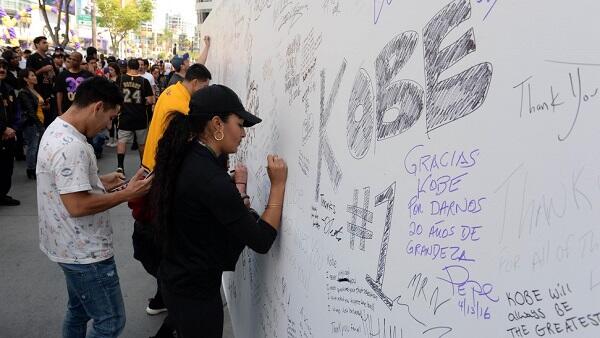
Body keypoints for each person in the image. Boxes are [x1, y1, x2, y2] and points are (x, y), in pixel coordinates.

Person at [149, 84, 287, 337]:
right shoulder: (211, 178)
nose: (243, 134)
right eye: (240, 123)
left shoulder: (188, 155)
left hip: (176, 279)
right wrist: (278, 185)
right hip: (195, 295)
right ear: (217, 124)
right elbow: (261, 240)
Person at [37, 76, 153, 337]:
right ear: (97, 107)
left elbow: (65, 186)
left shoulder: (58, 129)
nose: (108, 125)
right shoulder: (72, 147)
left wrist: (100, 182)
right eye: (111, 118)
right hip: (84, 253)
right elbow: (77, 205)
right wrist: (128, 194)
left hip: (67, 247)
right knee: (110, 321)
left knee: (78, 311)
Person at [116, 58, 154, 172]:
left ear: (127, 67)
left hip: (124, 115)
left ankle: (120, 166)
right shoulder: (144, 81)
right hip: (140, 116)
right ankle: (142, 167)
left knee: (121, 141)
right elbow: (150, 100)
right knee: (142, 144)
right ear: (138, 67)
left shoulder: (121, 79)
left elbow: (115, 96)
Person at [18, 68, 47, 180]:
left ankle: (36, 168)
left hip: (39, 121)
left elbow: (36, 106)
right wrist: (38, 124)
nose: (35, 77)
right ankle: (31, 169)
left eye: (34, 75)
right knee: (33, 147)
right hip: (32, 123)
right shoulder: (24, 92)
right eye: (32, 75)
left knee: (38, 146)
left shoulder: (34, 90)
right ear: (26, 79)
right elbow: (30, 110)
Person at [0, 58, 19, 206]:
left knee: (7, 167)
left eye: (3, 67)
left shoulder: (7, 88)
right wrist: (3, 128)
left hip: (10, 135)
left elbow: (15, 111)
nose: (2, 69)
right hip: (2, 132)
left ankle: (3, 194)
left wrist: (13, 128)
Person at [27, 37, 55, 125]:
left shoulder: (49, 58)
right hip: (38, 92)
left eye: (47, 42)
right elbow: (28, 74)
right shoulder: (32, 58)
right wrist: (42, 70)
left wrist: (52, 74)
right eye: (44, 42)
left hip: (49, 92)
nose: (47, 44)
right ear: (37, 45)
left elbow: (54, 74)